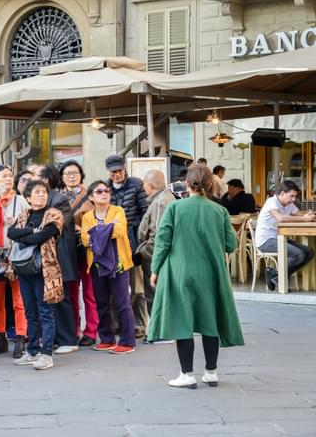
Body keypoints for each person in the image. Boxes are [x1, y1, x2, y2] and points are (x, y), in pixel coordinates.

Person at [148, 165, 245, 388]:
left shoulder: (175, 208)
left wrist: (155, 270)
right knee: (209, 322)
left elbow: (162, 242)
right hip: (211, 274)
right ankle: (211, 372)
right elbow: (231, 244)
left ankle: (187, 374)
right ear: (211, 185)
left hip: (180, 272)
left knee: (183, 322)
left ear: (187, 184)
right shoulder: (219, 211)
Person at [8, 180, 64, 370]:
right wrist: (31, 231)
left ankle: (46, 354)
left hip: (45, 270)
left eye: (44, 192)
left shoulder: (54, 214)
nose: (41, 195)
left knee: (45, 312)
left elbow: (42, 237)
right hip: (24, 269)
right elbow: (10, 232)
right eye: (37, 192)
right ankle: (32, 351)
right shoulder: (25, 214)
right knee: (30, 311)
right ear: (28, 197)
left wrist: (24, 235)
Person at [81, 180, 136, 355]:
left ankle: (128, 341)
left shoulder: (118, 211)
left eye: (106, 191)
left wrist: (96, 233)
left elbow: (119, 231)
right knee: (102, 303)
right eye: (99, 191)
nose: (104, 193)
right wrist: (105, 230)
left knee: (122, 303)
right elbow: (84, 239)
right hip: (97, 265)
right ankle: (107, 338)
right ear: (91, 197)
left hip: (119, 264)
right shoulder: (87, 217)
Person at [0, 165, 30, 358]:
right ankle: (0, 336)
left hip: (15, 253)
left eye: (11, 176)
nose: (8, 179)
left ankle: (20, 338)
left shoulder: (21, 201)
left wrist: (18, 223)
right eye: (3, 176)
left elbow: (30, 225)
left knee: (19, 301)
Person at [35, 165, 79, 355]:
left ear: (46, 179)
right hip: (47, 255)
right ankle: (54, 338)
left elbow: (57, 224)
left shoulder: (58, 199)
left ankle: (69, 339)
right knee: (51, 299)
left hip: (58, 254)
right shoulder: (42, 197)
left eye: (36, 176)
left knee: (61, 298)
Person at [105, 154, 148, 338]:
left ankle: (139, 324)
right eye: (114, 172)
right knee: (114, 286)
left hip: (133, 239)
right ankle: (115, 323)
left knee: (137, 286)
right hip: (112, 241)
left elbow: (145, 211)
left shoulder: (136, 184)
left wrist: (138, 234)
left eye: (120, 170)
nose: (117, 174)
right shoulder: (104, 188)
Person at [59, 160, 97, 347]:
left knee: (89, 293)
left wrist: (81, 228)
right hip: (67, 250)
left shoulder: (90, 196)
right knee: (72, 293)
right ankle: (73, 330)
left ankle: (91, 331)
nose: (71, 176)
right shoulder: (57, 197)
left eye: (75, 172)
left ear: (81, 175)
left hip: (86, 248)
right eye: (67, 173)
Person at [135, 169, 176, 342]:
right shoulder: (163, 199)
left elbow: (158, 235)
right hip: (155, 255)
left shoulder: (161, 202)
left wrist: (143, 253)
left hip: (154, 257)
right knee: (156, 293)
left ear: (150, 185)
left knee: (155, 293)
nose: (143, 187)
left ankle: (162, 332)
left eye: (144, 183)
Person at [255, 181, 315, 291]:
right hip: (266, 241)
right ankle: (279, 279)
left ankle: (276, 276)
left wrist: (310, 215)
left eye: (295, 196)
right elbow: (280, 218)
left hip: (280, 238)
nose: (293, 199)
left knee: (309, 252)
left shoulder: (289, 204)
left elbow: (300, 214)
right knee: (299, 254)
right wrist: (304, 219)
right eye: (291, 196)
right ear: (282, 193)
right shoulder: (271, 202)